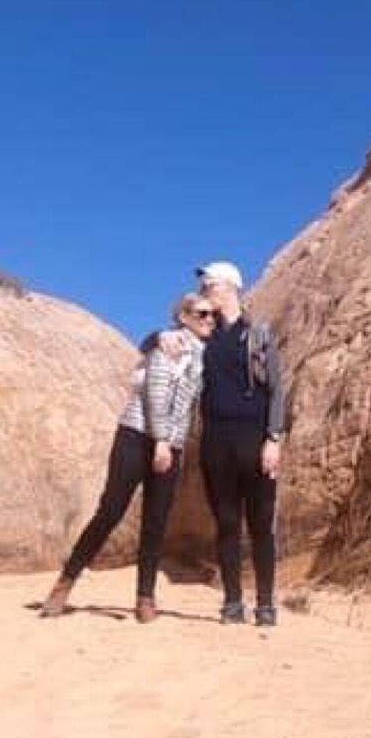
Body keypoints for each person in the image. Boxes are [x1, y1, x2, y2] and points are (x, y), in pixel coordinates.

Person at [39, 293, 214, 623]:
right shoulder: (170, 345)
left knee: (156, 520)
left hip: (171, 444)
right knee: (111, 510)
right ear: (184, 317)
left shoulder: (203, 355)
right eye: (202, 314)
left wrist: (171, 442)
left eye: (212, 315)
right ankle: (66, 581)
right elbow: (155, 392)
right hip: (136, 436)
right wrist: (160, 439)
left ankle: (145, 597)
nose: (209, 319)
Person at [192, 260, 288, 626]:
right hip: (215, 442)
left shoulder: (259, 335)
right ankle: (232, 602)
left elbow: (277, 391)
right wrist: (163, 337)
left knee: (261, 524)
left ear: (230, 287)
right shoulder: (201, 337)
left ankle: (265, 604)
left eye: (210, 286)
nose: (205, 293)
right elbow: (156, 342)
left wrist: (273, 439)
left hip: (254, 439)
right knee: (227, 524)